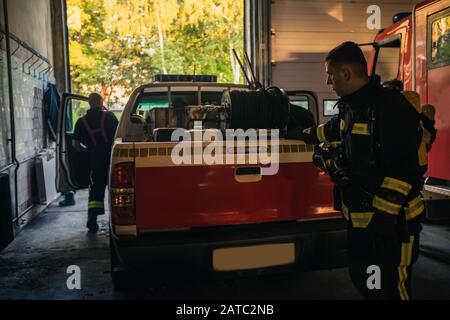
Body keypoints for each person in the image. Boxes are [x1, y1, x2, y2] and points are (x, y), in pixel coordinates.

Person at [294, 42, 425, 300]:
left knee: (390, 290)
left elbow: (403, 171)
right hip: (363, 224)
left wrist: (384, 221)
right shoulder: (352, 107)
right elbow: (330, 130)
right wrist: (299, 134)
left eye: (330, 74)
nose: (328, 82)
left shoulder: (389, 107)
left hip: (392, 226)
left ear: (346, 74)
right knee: (366, 282)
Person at [72, 93, 119, 232]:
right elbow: (120, 136)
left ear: (89, 103)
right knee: (116, 191)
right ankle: (117, 221)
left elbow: (75, 144)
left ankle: (91, 222)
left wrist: (87, 152)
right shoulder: (110, 116)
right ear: (101, 101)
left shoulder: (81, 121)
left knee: (95, 193)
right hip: (112, 160)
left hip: (96, 161)